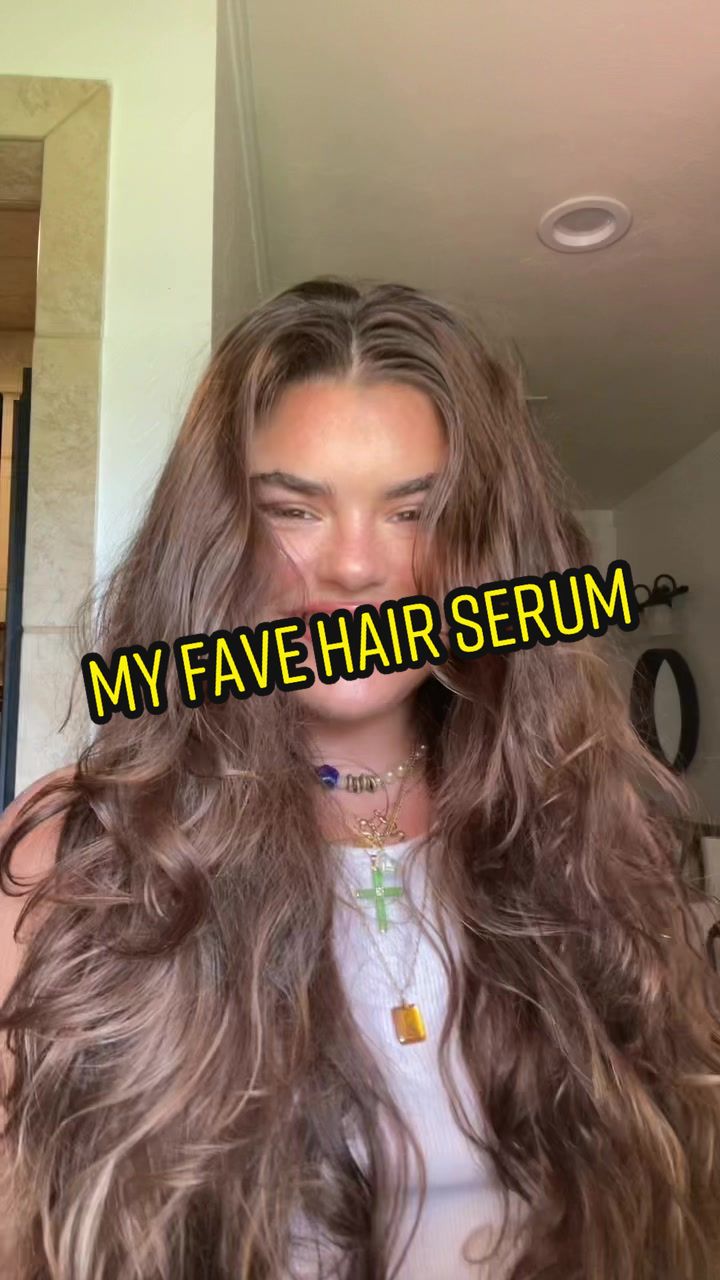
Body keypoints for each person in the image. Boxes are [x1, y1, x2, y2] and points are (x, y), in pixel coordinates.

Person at [1, 277, 719, 1280]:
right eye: (294, 508)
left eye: (413, 510)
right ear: (221, 540)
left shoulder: (584, 827)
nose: (352, 567)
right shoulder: (77, 847)